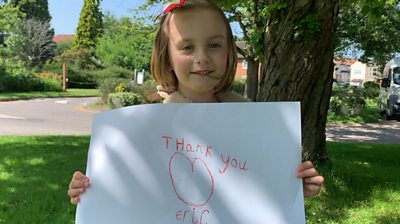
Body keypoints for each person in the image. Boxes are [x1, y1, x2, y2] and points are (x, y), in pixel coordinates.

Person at [68, 0, 324, 205]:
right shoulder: (142, 130)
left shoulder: (254, 124)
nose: (202, 57)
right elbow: (124, 193)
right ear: (166, 57)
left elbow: (261, 192)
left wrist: (294, 187)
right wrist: (90, 191)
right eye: (187, 47)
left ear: (229, 52)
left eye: (214, 44)